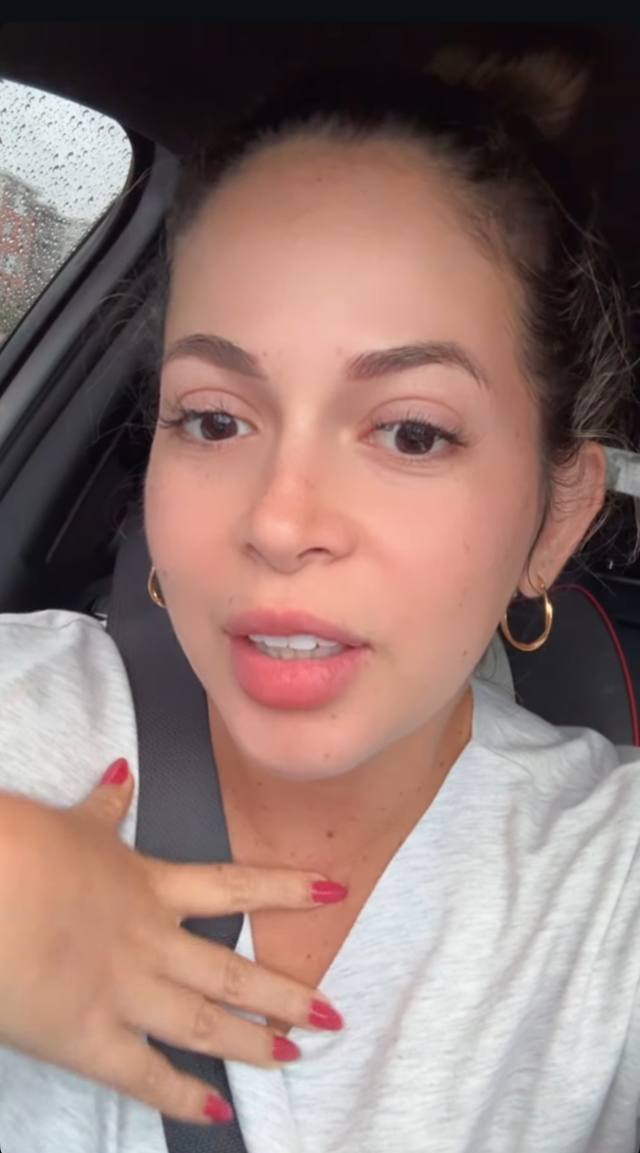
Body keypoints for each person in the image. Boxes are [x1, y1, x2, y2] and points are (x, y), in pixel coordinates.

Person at [1, 46, 639, 1153]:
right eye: (214, 419)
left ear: (556, 515)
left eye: (412, 433)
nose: (279, 520)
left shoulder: (605, 888)